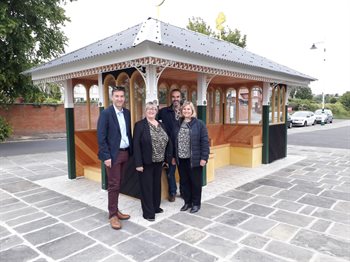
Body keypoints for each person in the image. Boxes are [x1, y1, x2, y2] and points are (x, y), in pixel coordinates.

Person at [97, 86, 132, 230]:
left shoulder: (127, 113)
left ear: (124, 98)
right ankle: (112, 215)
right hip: (112, 155)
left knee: (119, 184)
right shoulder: (106, 114)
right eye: (116, 96)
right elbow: (101, 136)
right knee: (113, 185)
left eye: (122, 96)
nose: (119, 99)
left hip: (125, 153)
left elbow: (127, 133)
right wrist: (106, 156)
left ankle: (116, 210)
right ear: (112, 97)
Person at [133, 101, 173, 221]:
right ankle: (148, 212)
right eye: (149, 109)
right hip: (145, 162)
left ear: (156, 111)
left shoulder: (161, 125)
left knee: (156, 185)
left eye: (153, 109)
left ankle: (155, 207)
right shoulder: (140, 125)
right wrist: (138, 163)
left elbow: (167, 140)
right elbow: (136, 145)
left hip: (159, 161)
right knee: (147, 187)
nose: (151, 111)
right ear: (145, 111)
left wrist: (167, 159)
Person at [174, 101, 209, 213]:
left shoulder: (199, 124)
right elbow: (174, 141)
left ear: (192, 111)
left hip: (194, 160)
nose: (186, 111)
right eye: (184, 109)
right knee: (184, 182)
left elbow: (205, 142)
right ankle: (187, 202)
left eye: (188, 109)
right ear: (181, 111)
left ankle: (196, 204)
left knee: (195, 182)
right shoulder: (178, 123)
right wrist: (174, 156)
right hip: (181, 159)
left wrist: (204, 158)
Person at [157, 88, 182, 202]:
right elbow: (156, 125)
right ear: (170, 98)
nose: (175, 99)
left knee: (184, 172)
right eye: (173, 97)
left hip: (183, 149)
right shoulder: (164, 112)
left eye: (177, 97)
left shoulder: (185, 111)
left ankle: (184, 192)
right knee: (170, 173)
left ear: (181, 98)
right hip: (170, 148)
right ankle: (172, 192)